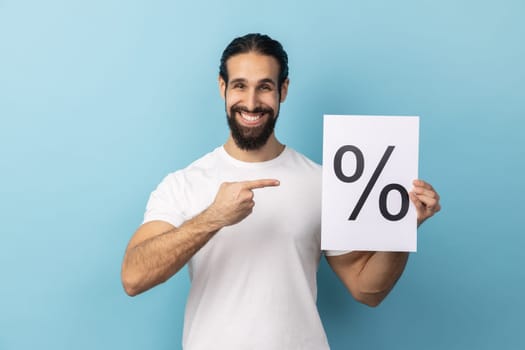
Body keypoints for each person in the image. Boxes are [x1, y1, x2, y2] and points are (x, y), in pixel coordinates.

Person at [121, 33, 441, 349]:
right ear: (223, 87)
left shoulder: (323, 182)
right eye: (240, 85)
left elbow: (367, 289)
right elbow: (134, 277)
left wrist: (403, 229)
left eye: (264, 87)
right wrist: (212, 218)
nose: (251, 102)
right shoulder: (184, 184)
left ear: (283, 90)